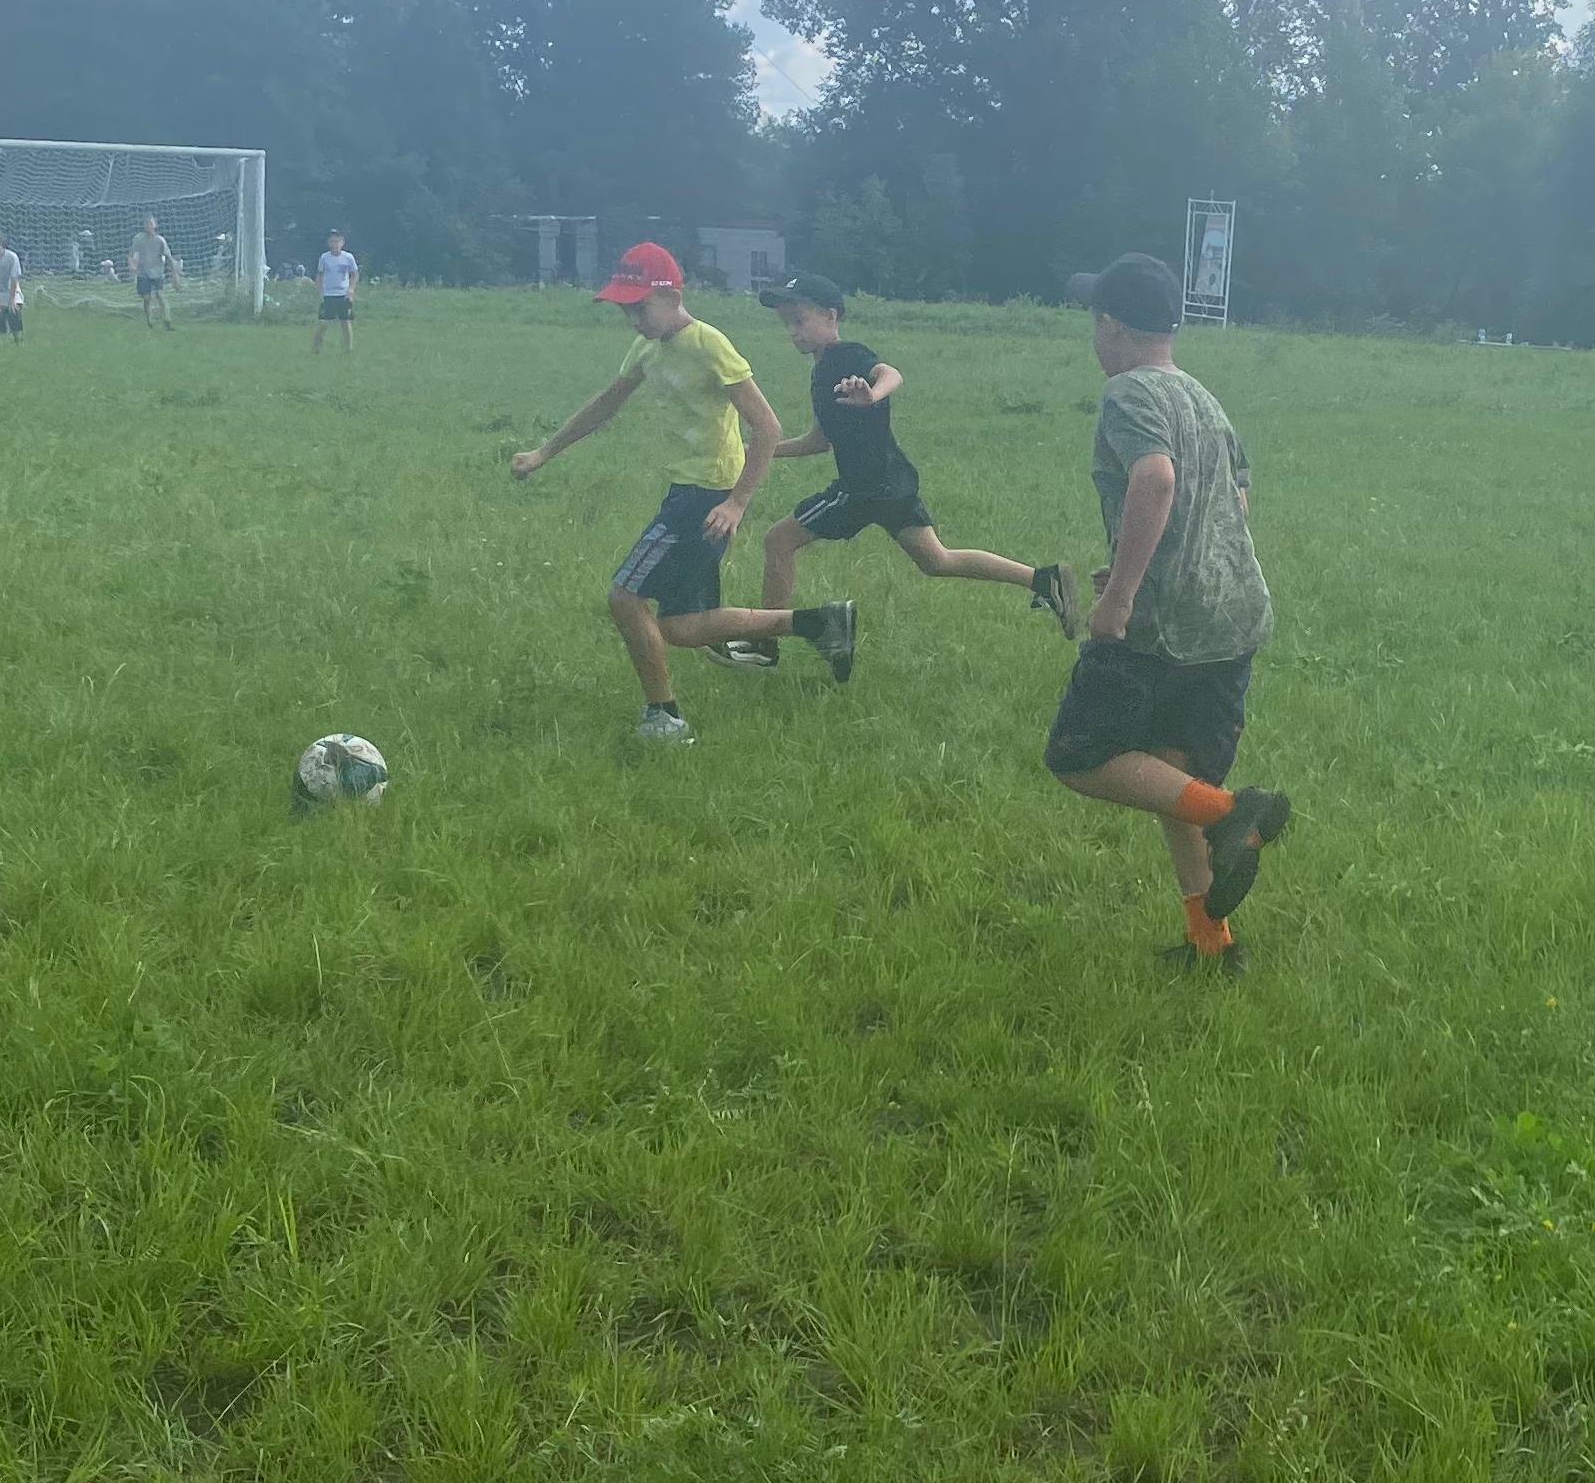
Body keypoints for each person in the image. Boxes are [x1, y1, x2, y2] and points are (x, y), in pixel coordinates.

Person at [1044, 253, 1291, 971]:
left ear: (1112, 326)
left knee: (1077, 756)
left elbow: (1154, 479)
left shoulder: (1129, 392)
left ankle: (1234, 815)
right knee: (1172, 778)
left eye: (1095, 321)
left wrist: (1120, 595)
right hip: (1231, 619)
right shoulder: (1204, 399)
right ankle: (1212, 945)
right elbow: (1235, 501)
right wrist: (1139, 559)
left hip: (1164, 629)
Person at [507, 241, 853, 745]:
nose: (634, 320)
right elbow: (606, 405)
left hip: (705, 497)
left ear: (672, 297)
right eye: (625, 311)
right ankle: (819, 624)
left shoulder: (709, 344)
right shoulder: (647, 347)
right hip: (689, 490)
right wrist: (543, 453)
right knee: (684, 626)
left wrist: (737, 502)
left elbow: (767, 427)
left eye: (640, 308)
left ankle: (664, 718)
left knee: (625, 598)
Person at [712, 274, 1080, 669]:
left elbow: (891, 373)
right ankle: (1043, 579)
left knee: (778, 541)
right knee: (937, 561)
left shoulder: (845, 356)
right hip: (893, 482)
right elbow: (818, 441)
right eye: (787, 323)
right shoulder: (822, 372)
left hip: (863, 489)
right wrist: (756, 450)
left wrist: (873, 394)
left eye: (800, 320)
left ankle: (765, 643)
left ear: (831, 316)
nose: (793, 332)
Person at [312, 230, 359, 354]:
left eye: (337, 241)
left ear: (342, 243)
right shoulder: (324, 258)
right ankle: (316, 348)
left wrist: (351, 289)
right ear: (328, 243)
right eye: (332, 241)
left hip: (343, 294)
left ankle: (348, 349)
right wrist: (320, 291)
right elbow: (319, 275)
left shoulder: (348, 257)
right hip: (329, 294)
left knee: (345, 322)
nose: (335, 244)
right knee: (324, 322)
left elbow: (354, 274)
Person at [129, 216, 178, 329]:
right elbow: (131, 254)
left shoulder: (160, 240)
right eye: (147, 224)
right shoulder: (139, 239)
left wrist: (175, 276)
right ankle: (149, 322)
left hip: (157, 273)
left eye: (151, 223)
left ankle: (167, 321)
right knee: (147, 298)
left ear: (155, 225)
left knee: (160, 295)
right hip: (143, 273)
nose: (149, 226)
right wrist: (132, 265)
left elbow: (169, 258)